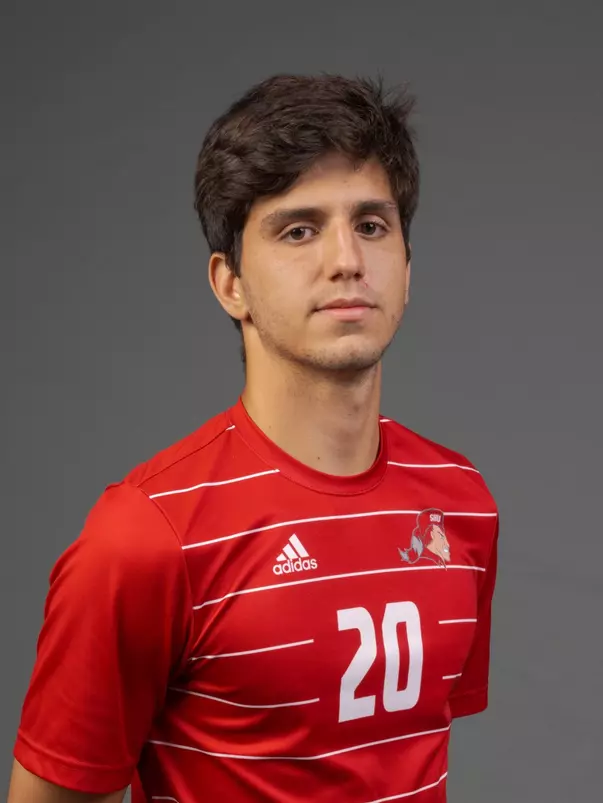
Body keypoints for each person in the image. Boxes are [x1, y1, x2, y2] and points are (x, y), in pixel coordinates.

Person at [8, 73, 499, 803]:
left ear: (405, 266)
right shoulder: (146, 537)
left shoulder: (461, 500)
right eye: (298, 229)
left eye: (371, 225)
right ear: (228, 283)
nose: (345, 260)